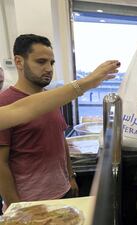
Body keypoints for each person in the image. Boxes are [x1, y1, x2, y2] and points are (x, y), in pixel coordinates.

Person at [0, 34, 119, 211]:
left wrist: (70, 177)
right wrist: (16, 207)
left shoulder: (50, 98)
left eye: (52, 63)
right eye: (41, 62)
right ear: (19, 62)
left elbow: (59, 138)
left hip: (62, 193)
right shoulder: (5, 101)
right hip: (30, 203)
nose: (48, 68)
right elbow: (1, 163)